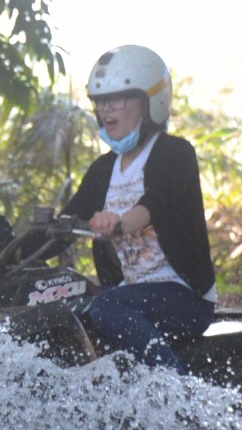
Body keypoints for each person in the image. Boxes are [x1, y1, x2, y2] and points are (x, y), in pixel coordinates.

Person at [61, 44, 216, 370]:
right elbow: (66, 220)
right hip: (130, 294)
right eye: (100, 101)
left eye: (117, 99)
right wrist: (10, 254)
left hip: (183, 295)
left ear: (150, 103)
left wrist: (119, 222)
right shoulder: (103, 169)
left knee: (104, 308)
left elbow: (156, 202)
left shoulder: (175, 153)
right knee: (65, 313)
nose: (105, 109)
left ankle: (180, 397)